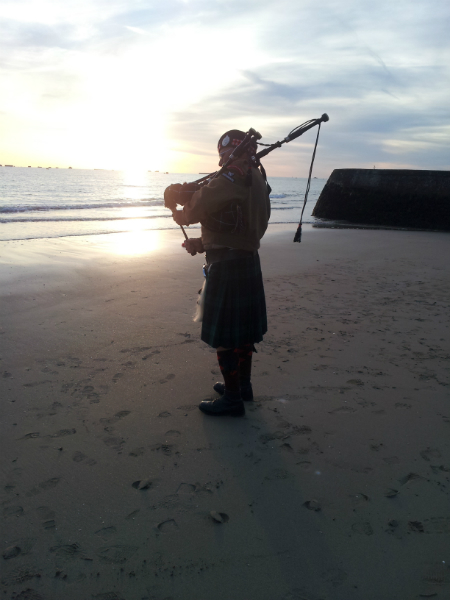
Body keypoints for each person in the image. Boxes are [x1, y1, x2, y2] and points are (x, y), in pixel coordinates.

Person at [164, 130, 271, 416]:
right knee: (244, 333)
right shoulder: (256, 176)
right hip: (246, 260)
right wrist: (202, 243)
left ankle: (233, 399)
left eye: (223, 154)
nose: (222, 160)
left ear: (227, 152)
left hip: (228, 267)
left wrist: (181, 211)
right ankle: (243, 386)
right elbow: (241, 224)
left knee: (225, 336)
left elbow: (200, 205)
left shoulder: (234, 175)